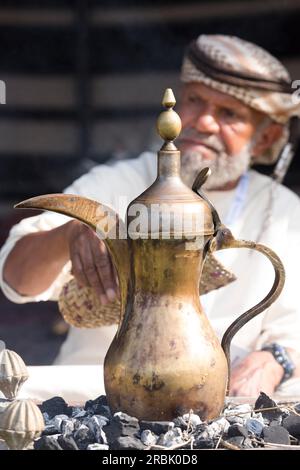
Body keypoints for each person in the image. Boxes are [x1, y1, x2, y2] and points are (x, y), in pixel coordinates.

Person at [1, 34, 300, 398]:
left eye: (230, 114)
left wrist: (275, 360)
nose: (204, 122)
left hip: (219, 403)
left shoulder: (285, 212)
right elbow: (15, 281)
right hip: (94, 399)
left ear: (266, 138)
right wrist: (68, 235)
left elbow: (293, 330)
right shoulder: (120, 182)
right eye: (195, 101)